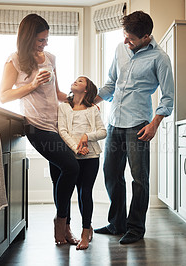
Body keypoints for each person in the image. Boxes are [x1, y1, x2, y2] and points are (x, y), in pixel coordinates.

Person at [93, 10, 174, 244]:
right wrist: (88, 102)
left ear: (146, 36)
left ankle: (136, 228)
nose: (125, 41)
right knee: (111, 173)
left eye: (131, 38)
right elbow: (110, 84)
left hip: (139, 125)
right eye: (124, 35)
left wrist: (155, 124)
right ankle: (116, 223)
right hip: (114, 123)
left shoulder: (160, 58)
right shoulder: (121, 49)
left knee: (139, 178)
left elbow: (168, 97)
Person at [0, 13, 79, 245]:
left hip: (57, 126)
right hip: (35, 126)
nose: (44, 44)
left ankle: (65, 228)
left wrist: (82, 99)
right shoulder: (14, 60)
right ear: (27, 38)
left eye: (46, 40)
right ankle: (60, 223)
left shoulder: (50, 58)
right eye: (40, 40)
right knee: (71, 167)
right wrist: (33, 84)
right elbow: (3, 96)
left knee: (59, 177)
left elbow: (57, 94)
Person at [58, 76, 107, 250]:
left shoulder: (93, 109)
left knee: (85, 193)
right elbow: (62, 130)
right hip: (71, 156)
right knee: (69, 192)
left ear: (86, 89)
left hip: (91, 157)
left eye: (80, 81)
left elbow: (102, 132)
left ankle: (85, 232)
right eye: (75, 80)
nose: (75, 81)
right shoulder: (63, 107)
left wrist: (87, 136)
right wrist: (76, 148)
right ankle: (66, 228)